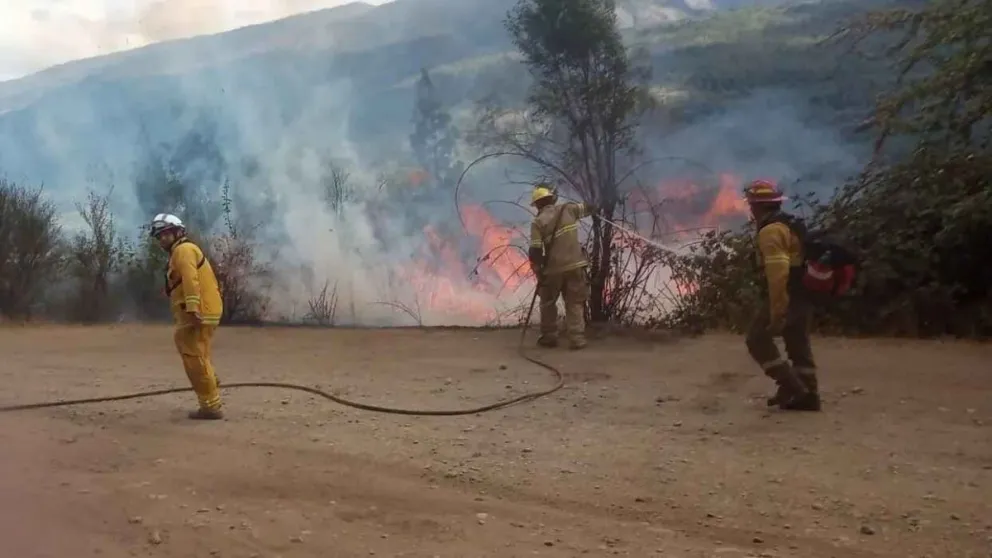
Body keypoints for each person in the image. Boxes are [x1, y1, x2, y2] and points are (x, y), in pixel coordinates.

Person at [742, 181, 821, 411]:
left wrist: (778, 310)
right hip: (805, 293)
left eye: (751, 205)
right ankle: (809, 396)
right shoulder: (790, 224)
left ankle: (792, 386)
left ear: (758, 207)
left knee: (757, 338)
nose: (750, 210)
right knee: (797, 342)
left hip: (789, 293)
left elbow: (777, 275)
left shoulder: (771, 231)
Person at [149, 213, 226, 420]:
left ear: (178, 232)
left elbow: (191, 279)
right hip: (204, 310)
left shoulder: (183, 250)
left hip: (199, 311)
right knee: (196, 350)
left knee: (193, 355)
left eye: (166, 234)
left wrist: (192, 308)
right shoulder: (182, 251)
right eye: (159, 236)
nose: (162, 239)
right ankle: (209, 378)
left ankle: (210, 404)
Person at [527, 184, 596, 350]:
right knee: (575, 303)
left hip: (553, 270)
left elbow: (535, 250)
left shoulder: (538, 223)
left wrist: (538, 271)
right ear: (552, 199)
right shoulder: (569, 210)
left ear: (537, 205)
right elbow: (590, 208)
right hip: (575, 265)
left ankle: (550, 337)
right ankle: (577, 339)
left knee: (548, 303)